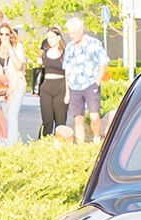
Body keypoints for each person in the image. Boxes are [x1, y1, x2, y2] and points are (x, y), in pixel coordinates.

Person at [62, 16, 105, 144]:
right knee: (78, 118)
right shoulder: (69, 47)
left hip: (90, 84)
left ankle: (96, 138)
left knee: (94, 116)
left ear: (81, 30)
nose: (71, 36)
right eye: (70, 33)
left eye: (73, 33)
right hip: (74, 86)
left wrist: (96, 82)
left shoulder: (94, 43)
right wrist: (67, 91)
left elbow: (103, 63)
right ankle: (81, 146)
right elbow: (67, 69)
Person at [0, 23, 25, 144]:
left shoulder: (17, 47)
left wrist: (10, 50)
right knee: (5, 116)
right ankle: (7, 140)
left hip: (16, 85)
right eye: (1, 34)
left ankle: (12, 144)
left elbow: (20, 66)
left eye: (6, 34)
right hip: (2, 86)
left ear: (11, 35)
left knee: (12, 116)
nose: (4, 36)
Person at [35, 26, 65, 137]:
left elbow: (68, 73)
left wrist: (68, 94)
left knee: (60, 121)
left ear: (58, 38)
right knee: (47, 120)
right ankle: (44, 143)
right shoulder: (45, 53)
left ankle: (59, 145)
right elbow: (39, 68)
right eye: (48, 38)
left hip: (61, 86)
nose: (50, 40)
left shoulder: (64, 53)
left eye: (52, 37)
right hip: (47, 87)